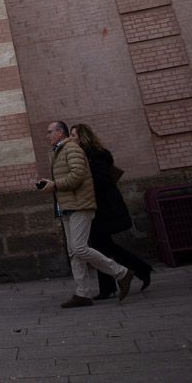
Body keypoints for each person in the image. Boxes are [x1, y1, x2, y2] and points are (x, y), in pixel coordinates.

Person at [36, 120, 133, 308]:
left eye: (50, 132)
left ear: (60, 132)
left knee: (79, 248)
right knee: (74, 252)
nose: (47, 135)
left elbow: (78, 175)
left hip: (80, 206)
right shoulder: (58, 151)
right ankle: (82, 293)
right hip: (67, 206)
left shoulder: (71, 149)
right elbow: (69, 176)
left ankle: (122, 273)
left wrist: (55, 185)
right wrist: (50, 183)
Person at [71, 123, 152, 298]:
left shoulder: (94, 155)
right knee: (103, 246)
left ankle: (112, 285)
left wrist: (83, 184)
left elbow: (102, 181)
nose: (71, 139)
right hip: (100, 206)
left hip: (104, 207)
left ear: (83, 138)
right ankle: (139, 270)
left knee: (100, 247)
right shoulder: (89, 155)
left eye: (73, 136)